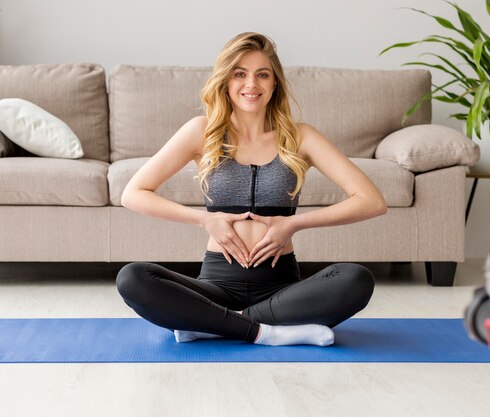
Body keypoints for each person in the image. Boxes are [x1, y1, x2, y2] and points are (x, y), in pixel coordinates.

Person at [115, 32, 387, 347]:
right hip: (216, 285)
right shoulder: (201, 132)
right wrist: (204, 220)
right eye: (240, 74)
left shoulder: (301, 137)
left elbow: (372, 201)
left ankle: (214, 323)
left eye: (262, 75)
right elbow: (133, 193)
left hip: (281, 289)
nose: (251, 84)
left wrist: (295, 223)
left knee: (356, 279)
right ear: (226, 81)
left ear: (275, 83)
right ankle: (267, 332)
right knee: (133, 278)